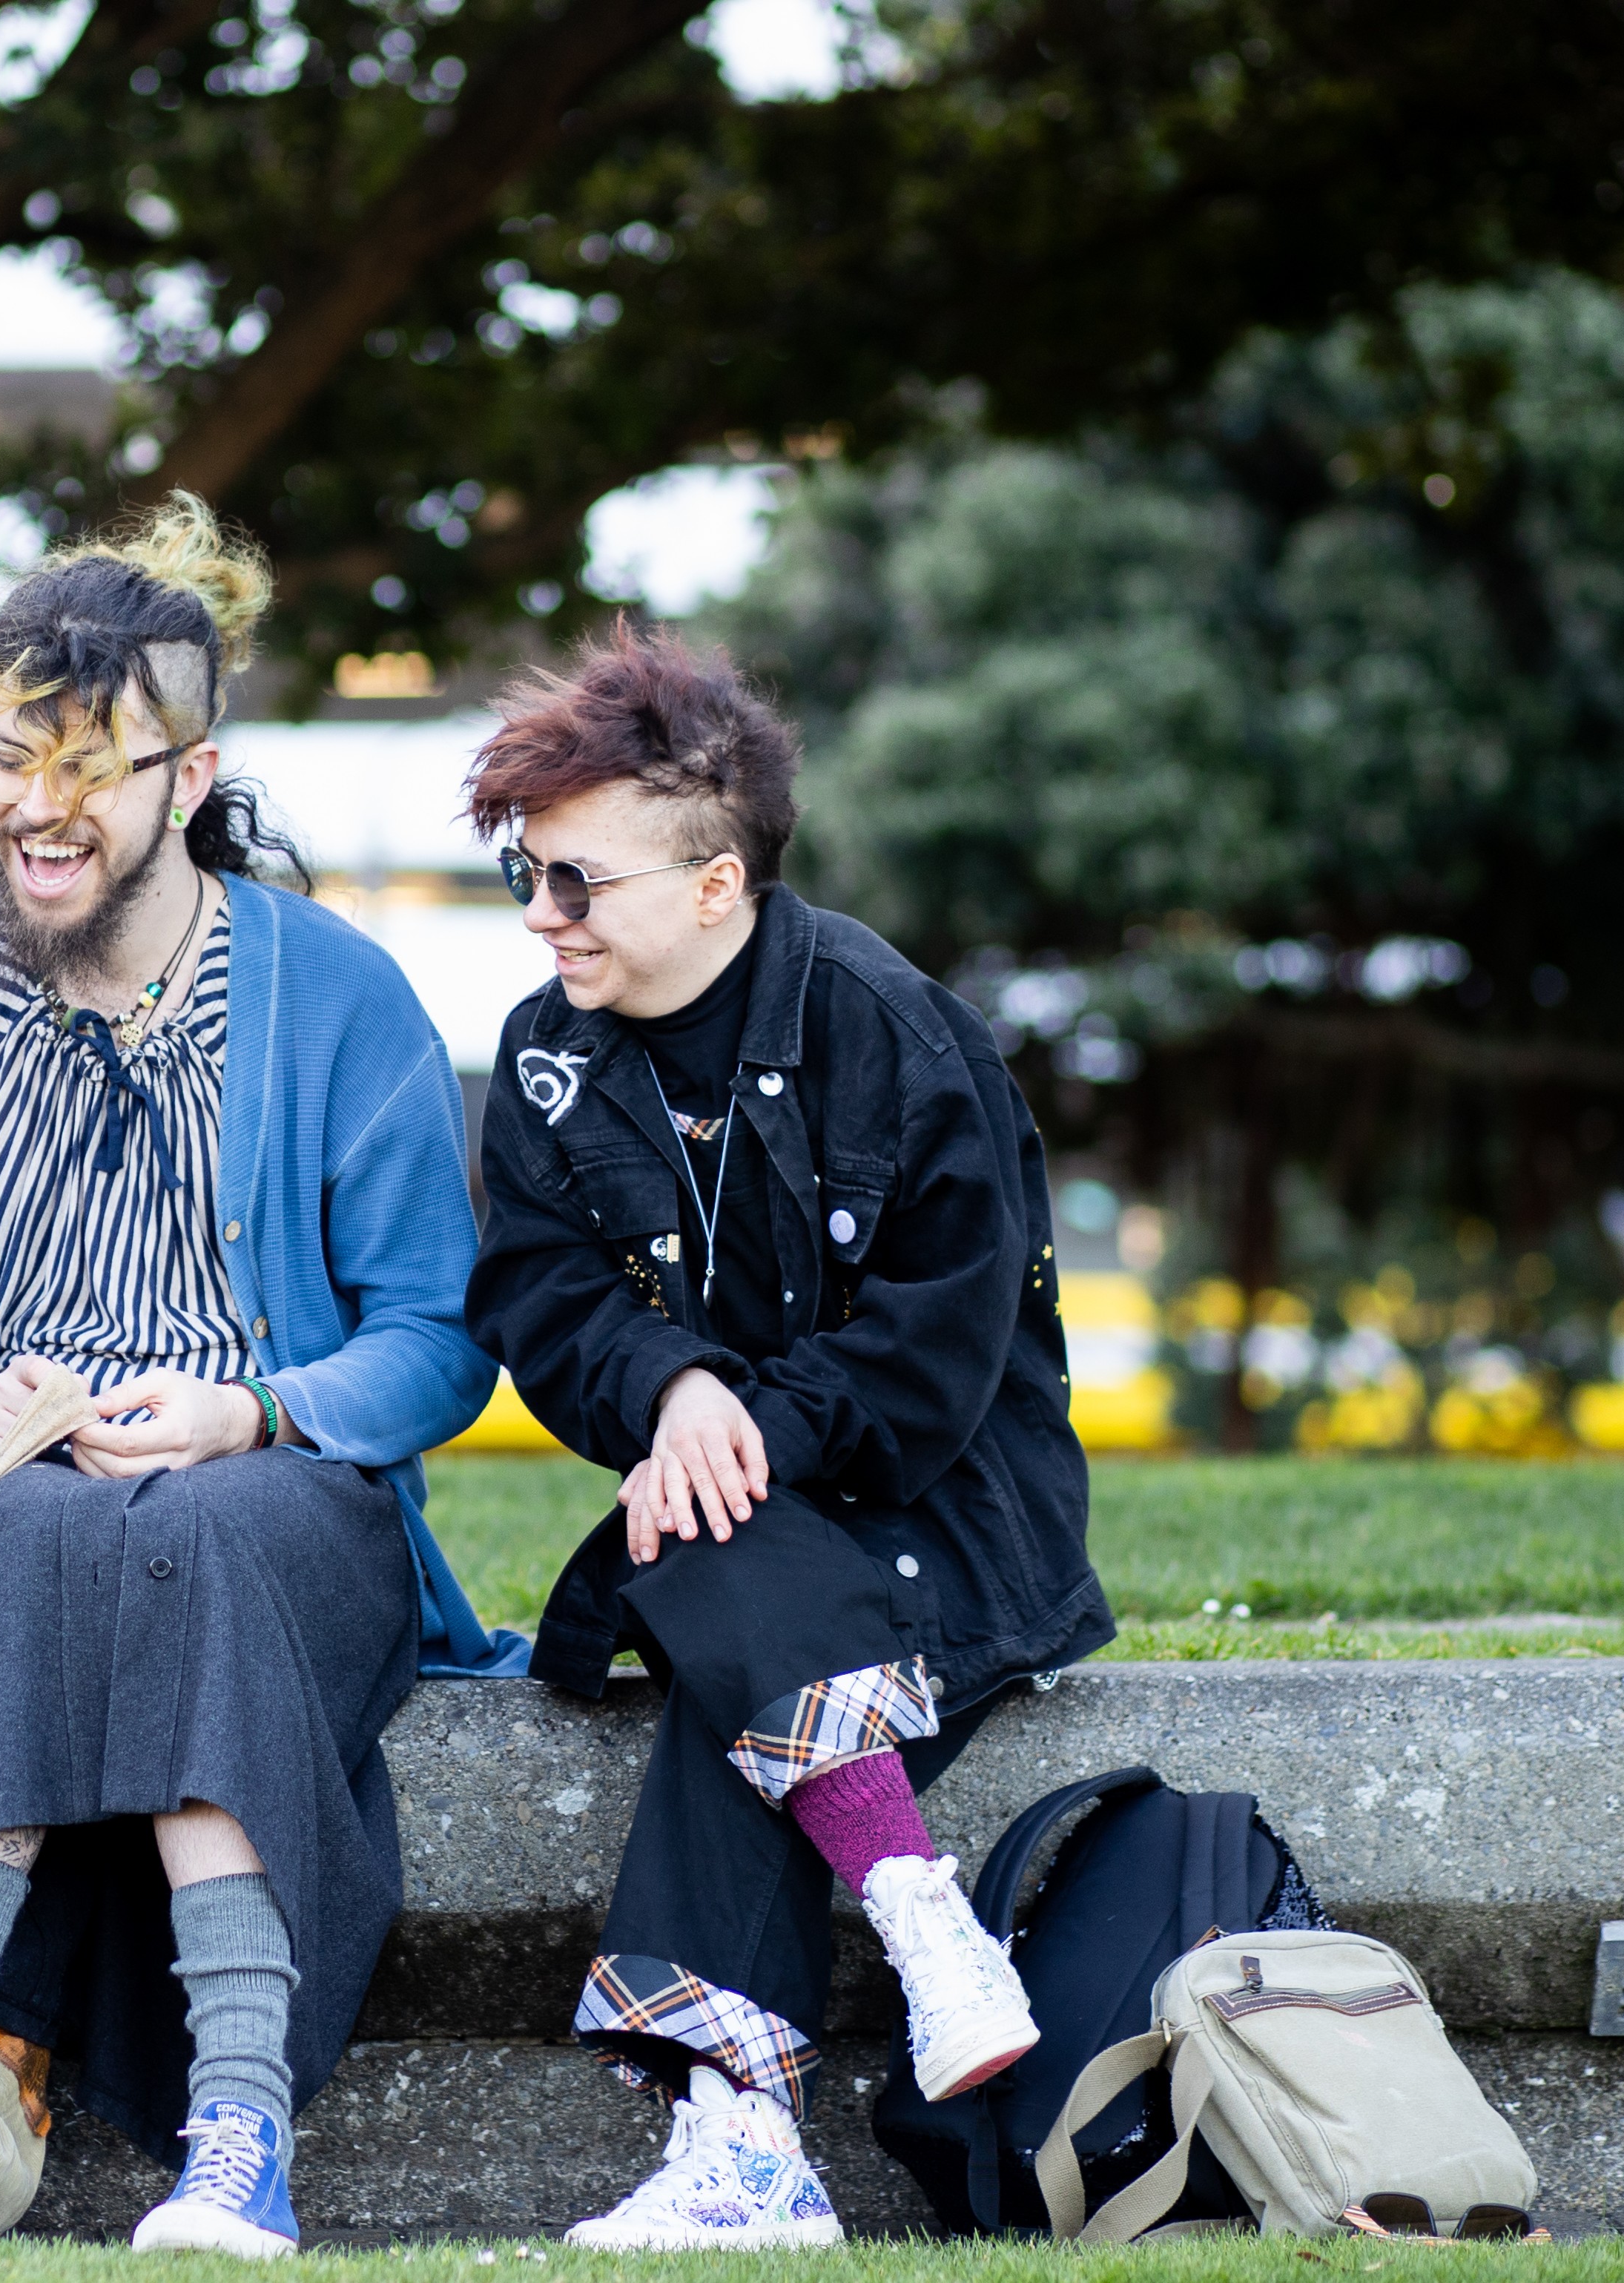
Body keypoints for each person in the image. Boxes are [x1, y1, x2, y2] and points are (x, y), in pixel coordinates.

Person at [0, 500, 501, 2259]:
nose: (36, 803)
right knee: (36, 1529)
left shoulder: (335, 994)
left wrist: (257, 1411)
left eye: (90, 762)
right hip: (7, 1517)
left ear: (192, 773)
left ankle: (235, 2137)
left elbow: (438, 1330)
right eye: (5, 754)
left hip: (287, 1509)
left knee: (200, 1526)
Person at [459, 624, 1115, 2250]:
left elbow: (937, 1358)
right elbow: (538, 1301)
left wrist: (726, 1425)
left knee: (696, 1549)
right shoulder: (548, 1057)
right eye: (524, 876)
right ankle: (913, 1912)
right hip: (741, 1520)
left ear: (715, 884)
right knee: (704, 1534)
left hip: (945, 1518)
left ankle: (745, 2142)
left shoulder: (899, 1033)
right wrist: (674, 1386)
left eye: (575, 882)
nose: (543, 918)